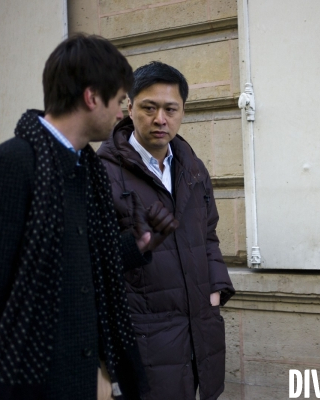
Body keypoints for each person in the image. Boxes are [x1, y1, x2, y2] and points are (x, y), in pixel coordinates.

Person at [0, 34, 177, 400]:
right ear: (92, 97)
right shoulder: (12, 165)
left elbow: (80, 262)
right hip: (33, 385)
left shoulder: (88, 169)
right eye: (120, 100)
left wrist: (136, 244)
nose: (123, 112)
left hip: (90, 376)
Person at [97, 61, 236, 400]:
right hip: (144, 331)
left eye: (170, 109)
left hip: (199, 325)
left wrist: (216, 290)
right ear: (129, 107)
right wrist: (137, 244)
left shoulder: (193, 168)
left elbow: (208, 235)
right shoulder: (103, 173)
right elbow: (93, 258)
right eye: (149, 108)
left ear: (183, 111)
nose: (161, 119)